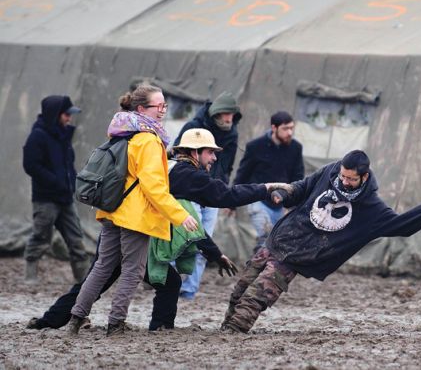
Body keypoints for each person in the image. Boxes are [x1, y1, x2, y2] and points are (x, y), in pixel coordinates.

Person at [25, 128, 291, 332]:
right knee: (159, 281)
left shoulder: (170, 166)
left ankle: (51, 321)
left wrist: (214, 253)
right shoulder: (188, 175)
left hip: (119, 223)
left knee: (99, 279)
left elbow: (188, 223)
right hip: (134, 232)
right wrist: (265, 188)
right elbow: (226, 196)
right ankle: (153, 328)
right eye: (210, 152)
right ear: (195, 152)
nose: (213, 158)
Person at [220, 150, 421, 334]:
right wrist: (284, 195)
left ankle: (234, 332)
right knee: (240, 289)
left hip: (299, 257)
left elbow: (404, 225)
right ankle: (225, 328)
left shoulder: (372, 209)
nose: (345, 181)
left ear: (364, 177)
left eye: (351, 179)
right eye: (343, 176)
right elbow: (303, 187)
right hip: (279, 238)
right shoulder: (329, 171)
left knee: (257, 297)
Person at [67, 84, 199, 337]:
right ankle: (116, 323)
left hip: (112, 210)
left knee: (103, 266)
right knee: (132, 270)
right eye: (158, 106)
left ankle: (76, 317)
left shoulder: (122, 132)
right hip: (135, 217)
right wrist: (180, 215)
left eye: (164, 105)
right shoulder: (149, 140)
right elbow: (154, 186)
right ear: (141, 109)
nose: (163, 111)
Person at [173, 91, 241, 300]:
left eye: (232, 114)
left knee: (204, 244)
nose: (229, 119)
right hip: (191, 191)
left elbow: (227, 166)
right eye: (225, 114)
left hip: (213, 192)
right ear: (215, 114)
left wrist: (225, 194)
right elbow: (178, 156)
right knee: (182, 241)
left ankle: (189, 291)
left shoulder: (231, 134)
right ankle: (169, 286)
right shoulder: (192, 128)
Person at [22, 95, 90, 285]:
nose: (69, 118)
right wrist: (55, 182)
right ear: (56, 114)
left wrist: (72, 182)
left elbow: (68, 164)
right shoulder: (38, 136)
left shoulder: (63, 135)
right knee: (40, 236)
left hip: (66, 198)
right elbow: (31, 165)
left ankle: (83, 280)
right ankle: (30, 275)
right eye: (66, 114)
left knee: (76, 238)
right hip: (45, 199)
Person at [233, 111, 304, 252]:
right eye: (285, 128)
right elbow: (243, 173)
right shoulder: (255, 146)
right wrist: (231, 202)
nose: (290, 132)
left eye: (291, 128)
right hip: (258, 200)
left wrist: (292, 204)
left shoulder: (296, 148)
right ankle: (254, 270)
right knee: (264, 237)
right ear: (274, 128)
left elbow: (298, 177)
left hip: (282, 202)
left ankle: (263, 270)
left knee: (276, 242)